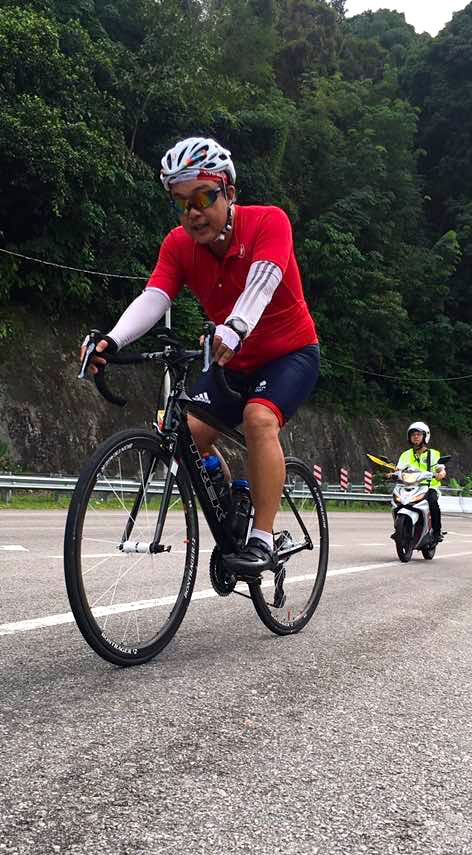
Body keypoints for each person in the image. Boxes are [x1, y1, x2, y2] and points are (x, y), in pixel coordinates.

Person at [83, 136, 320, 576]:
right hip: (231, 360)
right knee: (184, 437)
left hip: (289, 354)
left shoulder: (269, 221)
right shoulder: (178, 245)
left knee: (258, 419)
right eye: (181, 203)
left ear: (229, 192)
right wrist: (112, 341)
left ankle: (262, 538)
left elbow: (264, 280)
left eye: (203, 198)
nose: (192, 212)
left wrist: (236, 325)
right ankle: (232, 508)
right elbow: (155, 296)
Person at [394, 421, 446, 542]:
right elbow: (398, 469)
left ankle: (437, 532)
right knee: (397, 502)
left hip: (428, 487)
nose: (415, 437)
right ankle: (399, 530)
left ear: (425, 436)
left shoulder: (433, 454)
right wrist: (390, 474)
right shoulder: (405, 455)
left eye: (418, 434)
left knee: (433, 502)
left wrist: (441, 474)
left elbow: (440, 468)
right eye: (413, 435)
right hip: (409, 486)